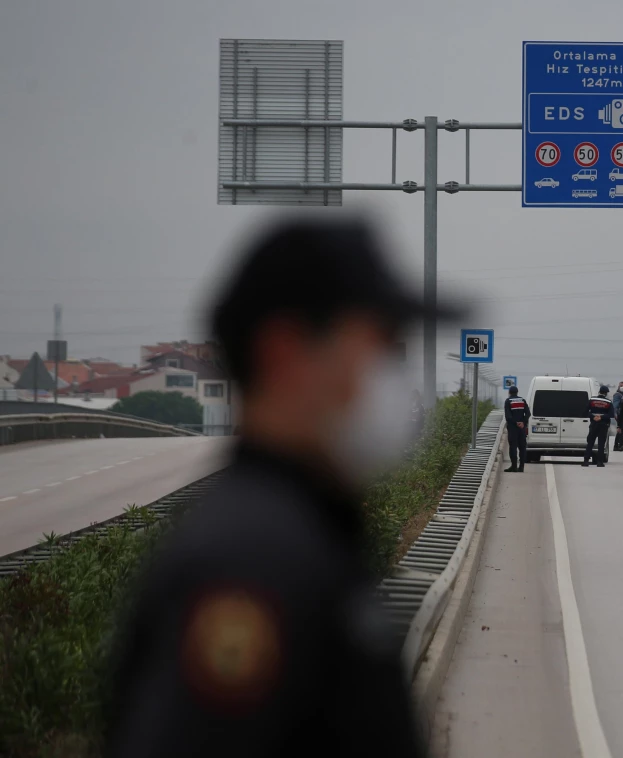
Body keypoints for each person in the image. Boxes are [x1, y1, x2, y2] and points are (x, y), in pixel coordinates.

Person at [106, 218, 429, 756]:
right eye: (382, 345)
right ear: (285, 352)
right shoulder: (250, 563)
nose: (393, 376)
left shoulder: (303, 527)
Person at [582, 385, 614, 467]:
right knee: (601, 443)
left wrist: (593, 416)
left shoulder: (592, 400)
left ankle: (586, 461)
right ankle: (600, 462)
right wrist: (601, 417)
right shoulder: (609, 402)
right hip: (603, 425)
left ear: (599, 391)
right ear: (606, 393)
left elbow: (585, 411)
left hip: (593, 424)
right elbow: (611, 414)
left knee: (590, 442)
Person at [503, 384, 529, 473]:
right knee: (522, 447)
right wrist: (523, 422)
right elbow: (528, 413)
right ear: (517, 392)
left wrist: (515, 422)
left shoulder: (508, 401)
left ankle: (514, 466)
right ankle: (521, 467)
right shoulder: (522, 400)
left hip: (513, 428)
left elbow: (508, 415)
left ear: (509, 393)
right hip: (522, 428)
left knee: (513, 447)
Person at [611, 382, 623, 452]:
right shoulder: (617, 395)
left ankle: (617, 445)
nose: (622, 387)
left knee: (622, 429)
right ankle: (620, 444)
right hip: (619, 414)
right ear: (618, 386)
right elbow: (615, 406)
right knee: (621, 429)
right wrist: (615, 414)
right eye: (621, 386)